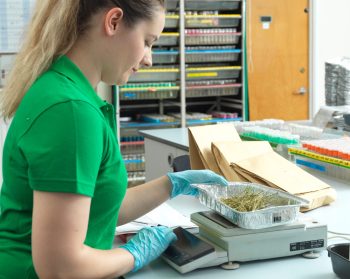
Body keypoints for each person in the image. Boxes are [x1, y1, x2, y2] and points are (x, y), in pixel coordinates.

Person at [0, 1, 228, 278]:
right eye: (147, 41)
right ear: (114, 22)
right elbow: (60, 268)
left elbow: (100, 207)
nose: (148, 59)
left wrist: (172, 185)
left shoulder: (65, 90)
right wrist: (134, 254)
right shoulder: (71, 111)